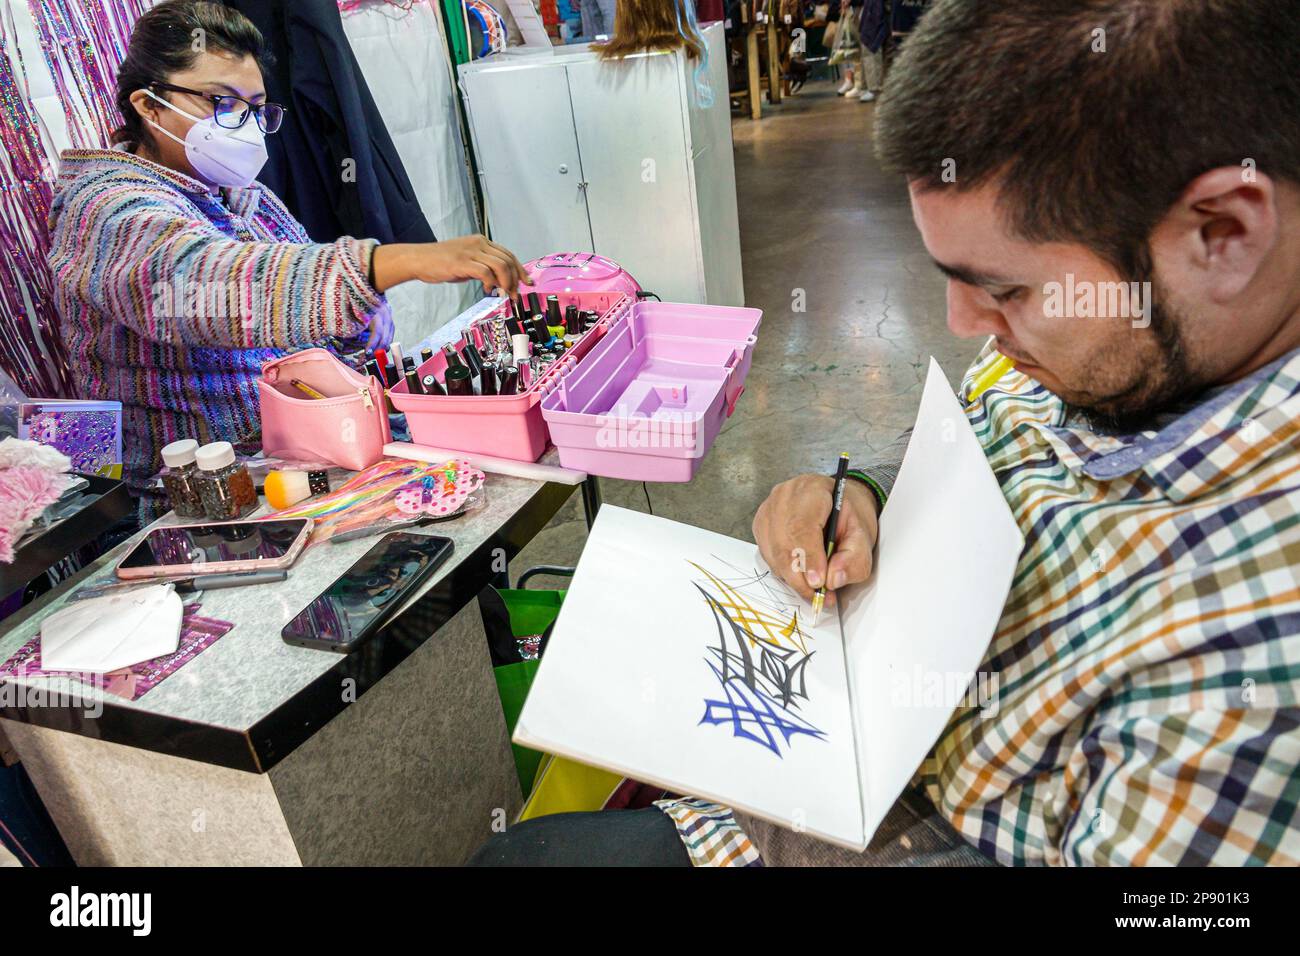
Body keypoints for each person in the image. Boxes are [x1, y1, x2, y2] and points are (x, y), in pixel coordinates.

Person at [471, 0, 1300, 866]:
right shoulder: (1118, 350)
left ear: (1225, 235)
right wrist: (857, 496)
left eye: (1007, 291)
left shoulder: (1256, 659)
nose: (968, 323)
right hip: (823, 766)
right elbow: (972, 455)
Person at [47, 0, 525, 519]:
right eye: (222, 103)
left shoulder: (245, 198)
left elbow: (306, 313)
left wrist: (355, 331)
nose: (245, 127)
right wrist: (385, 263)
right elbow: (204, 287)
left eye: (255, 108)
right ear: (150, 105)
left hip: (297, 463)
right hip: (194, 504)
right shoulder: (105, 209)